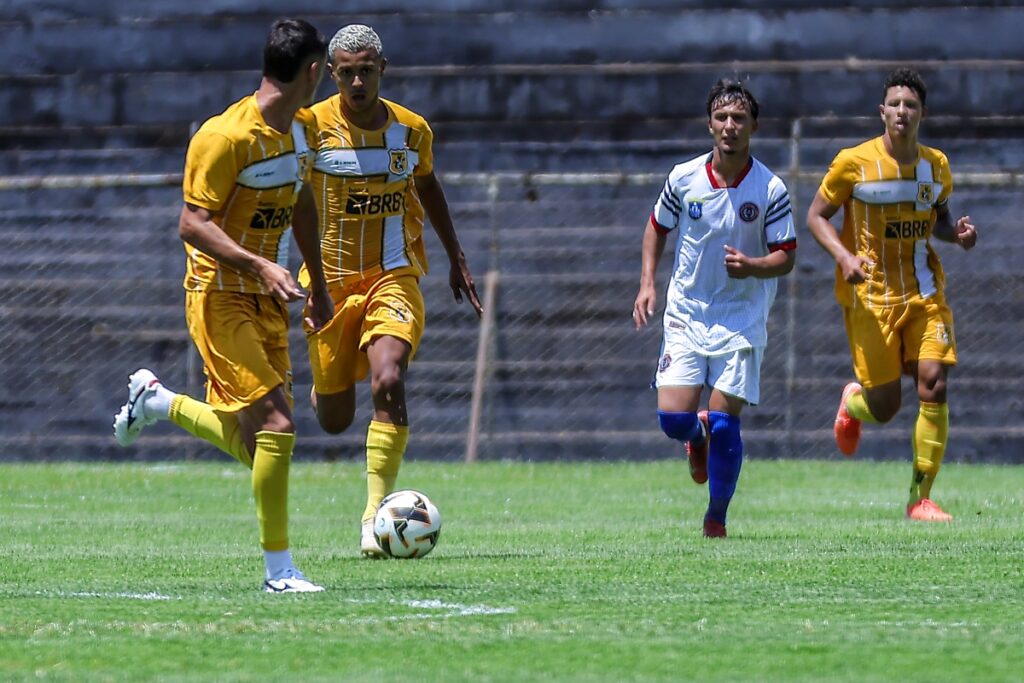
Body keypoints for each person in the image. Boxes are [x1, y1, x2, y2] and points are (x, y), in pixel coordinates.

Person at [112, 18, 334, 592]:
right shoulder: (223, 137)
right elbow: (191, 223)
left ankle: (158, 402)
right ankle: (279, 571)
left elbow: (302, 200)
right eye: (327, 68)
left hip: (267, 297)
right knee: (279, 427)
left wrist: (322, 285)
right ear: (312, 71)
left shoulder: (302, 129)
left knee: (256, 442)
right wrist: (259, 264)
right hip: (218, 296)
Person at [300, 24, 482, 556]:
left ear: (383, 68)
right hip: (330, 284)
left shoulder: (411, 131)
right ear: (331, 75)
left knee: (388, 378)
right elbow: (293, 199)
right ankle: (325, 385)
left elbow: (427, 186)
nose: (358, 81)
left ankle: (373, 514)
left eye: (367, 70)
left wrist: (456, 257)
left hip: (392, 275)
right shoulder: (309, 128)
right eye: (347, 72)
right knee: (334, 420)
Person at [806, 68, 977, 522]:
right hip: (871, 299)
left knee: (935, 383)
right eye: (896, 104)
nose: (903, 112)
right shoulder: (853, 162)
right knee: (885, 407)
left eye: (911, 105)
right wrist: (844, 257)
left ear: (922, 113)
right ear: (882, 111)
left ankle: (920, 498)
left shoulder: (935, 165)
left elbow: (938, 219)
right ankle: (854, 403)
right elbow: (817, 216)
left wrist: (956, 235)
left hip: (923, 293)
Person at [633, 79, 797, 538]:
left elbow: (787, 255)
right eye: (722, 118)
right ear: (710, 125)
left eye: (739, 119)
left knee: (727, 420)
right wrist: (647, 284)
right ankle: (694, 438)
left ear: (754, 127)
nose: (730, 126)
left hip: (741, 316)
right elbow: (656, 227)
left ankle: (716, 519)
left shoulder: (770, 188)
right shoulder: (683, 177)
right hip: (687, 310)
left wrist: (752, 266)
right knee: (674, 420)